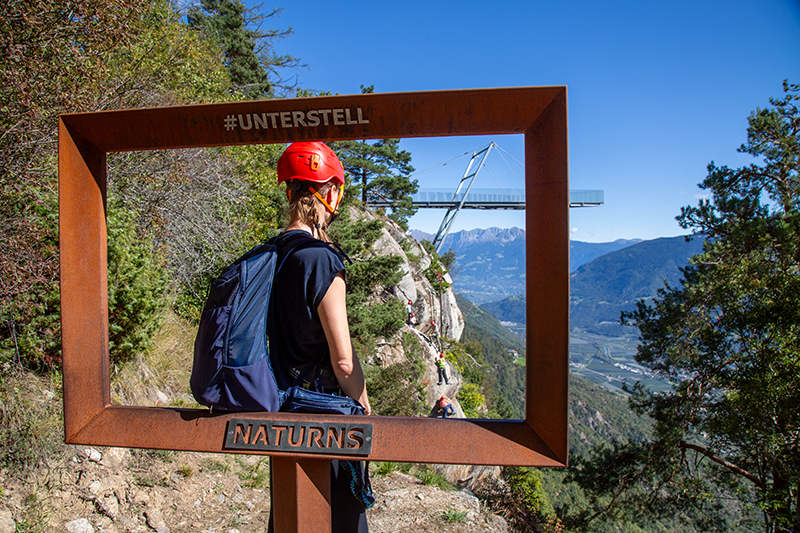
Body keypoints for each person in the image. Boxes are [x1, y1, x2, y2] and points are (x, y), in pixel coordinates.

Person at [267, 141, 371, 533]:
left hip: (281, 410)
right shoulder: (322, 260)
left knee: (291, 518)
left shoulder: (274, 251)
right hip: (326, 413)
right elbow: (343, 360)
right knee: (343, 520)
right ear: (329, 193)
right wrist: (363, 405)